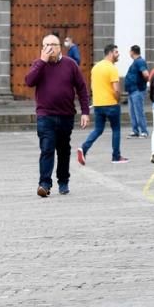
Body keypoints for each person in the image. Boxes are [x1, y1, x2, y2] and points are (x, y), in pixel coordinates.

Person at [25, 34, 90, 197]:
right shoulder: (39, 64)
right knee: (47, 149)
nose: (49, 48)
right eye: (46, 45)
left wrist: (85, 112)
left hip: (65, 115)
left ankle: (63, 181)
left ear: (59, 47)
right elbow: (29, 81)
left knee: (63, 150)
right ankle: (44, 184)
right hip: (45, 115)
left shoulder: (70, 64)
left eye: (53, 45)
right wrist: (41, 61)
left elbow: (81, 89)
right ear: (42, 48)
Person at [77, 44, 128, 165]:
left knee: (98, 129)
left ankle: (84, 148)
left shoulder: (95, 68)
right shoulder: (112, 68)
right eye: (116, 52)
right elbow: (116, 89)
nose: (118, 54)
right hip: (111, 104)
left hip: (98, 104)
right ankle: (116, 156)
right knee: (116, 129)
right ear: (110, 53)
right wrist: (118, 99)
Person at [124, 45, 150, 138]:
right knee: (132, 112)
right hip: (132, 90)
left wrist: (143, 83)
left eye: (130, 51)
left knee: (139, 111)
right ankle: (135, 131)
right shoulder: (136, 62)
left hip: (137, 90)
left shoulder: (140, 61)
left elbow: (146, 74)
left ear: (132, 52)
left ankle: (144, 131)